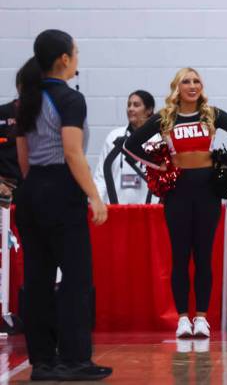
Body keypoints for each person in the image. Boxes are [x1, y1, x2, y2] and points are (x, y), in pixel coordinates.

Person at [123, 68, 227, 339]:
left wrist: (224, 165)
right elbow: (131, 145)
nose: (192, 85)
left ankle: (202, 318)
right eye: (186, 81)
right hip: (178, 192)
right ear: (177, 87)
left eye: (196, 81)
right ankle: (183, 318)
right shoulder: (165, 117)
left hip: (207, 190)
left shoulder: (212, 114)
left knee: (204, 255)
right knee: (181, 256)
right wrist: (159, 165)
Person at [14, 30, 111, 381]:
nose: (77, 59)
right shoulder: (69, 99)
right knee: (76, 279)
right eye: (76, 53)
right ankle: (74, 359)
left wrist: (35, 190)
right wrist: (94, 196)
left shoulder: (26, 98)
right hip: (60, 190)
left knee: (37, 279)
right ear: (64, 59)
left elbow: (23, 156)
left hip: (31, 191)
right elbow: (72, 152)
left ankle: (43, 362)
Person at [93, 91, 157, 205]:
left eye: (136, 105)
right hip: (116, 209)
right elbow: (100, 175)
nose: (130, 109)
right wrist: (97, 202)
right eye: (129, 105)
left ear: (149, 110)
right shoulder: (114, 136)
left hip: (148, 210)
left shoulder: (155, 140)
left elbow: (163, 179)